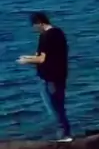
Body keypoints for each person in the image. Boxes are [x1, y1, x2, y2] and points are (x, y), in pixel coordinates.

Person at [17, 12, 72, 141]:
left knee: (53, 107)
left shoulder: (46, 36)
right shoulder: (58, 33)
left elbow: (42, 59)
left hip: (49, 77)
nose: (34, 28)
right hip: (60, 74)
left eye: (34, 25)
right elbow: (47, 55)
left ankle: (63, 135)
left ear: (40, 23)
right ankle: (66, 133)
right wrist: (29, 57)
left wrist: (26, 61)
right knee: (59, 105)